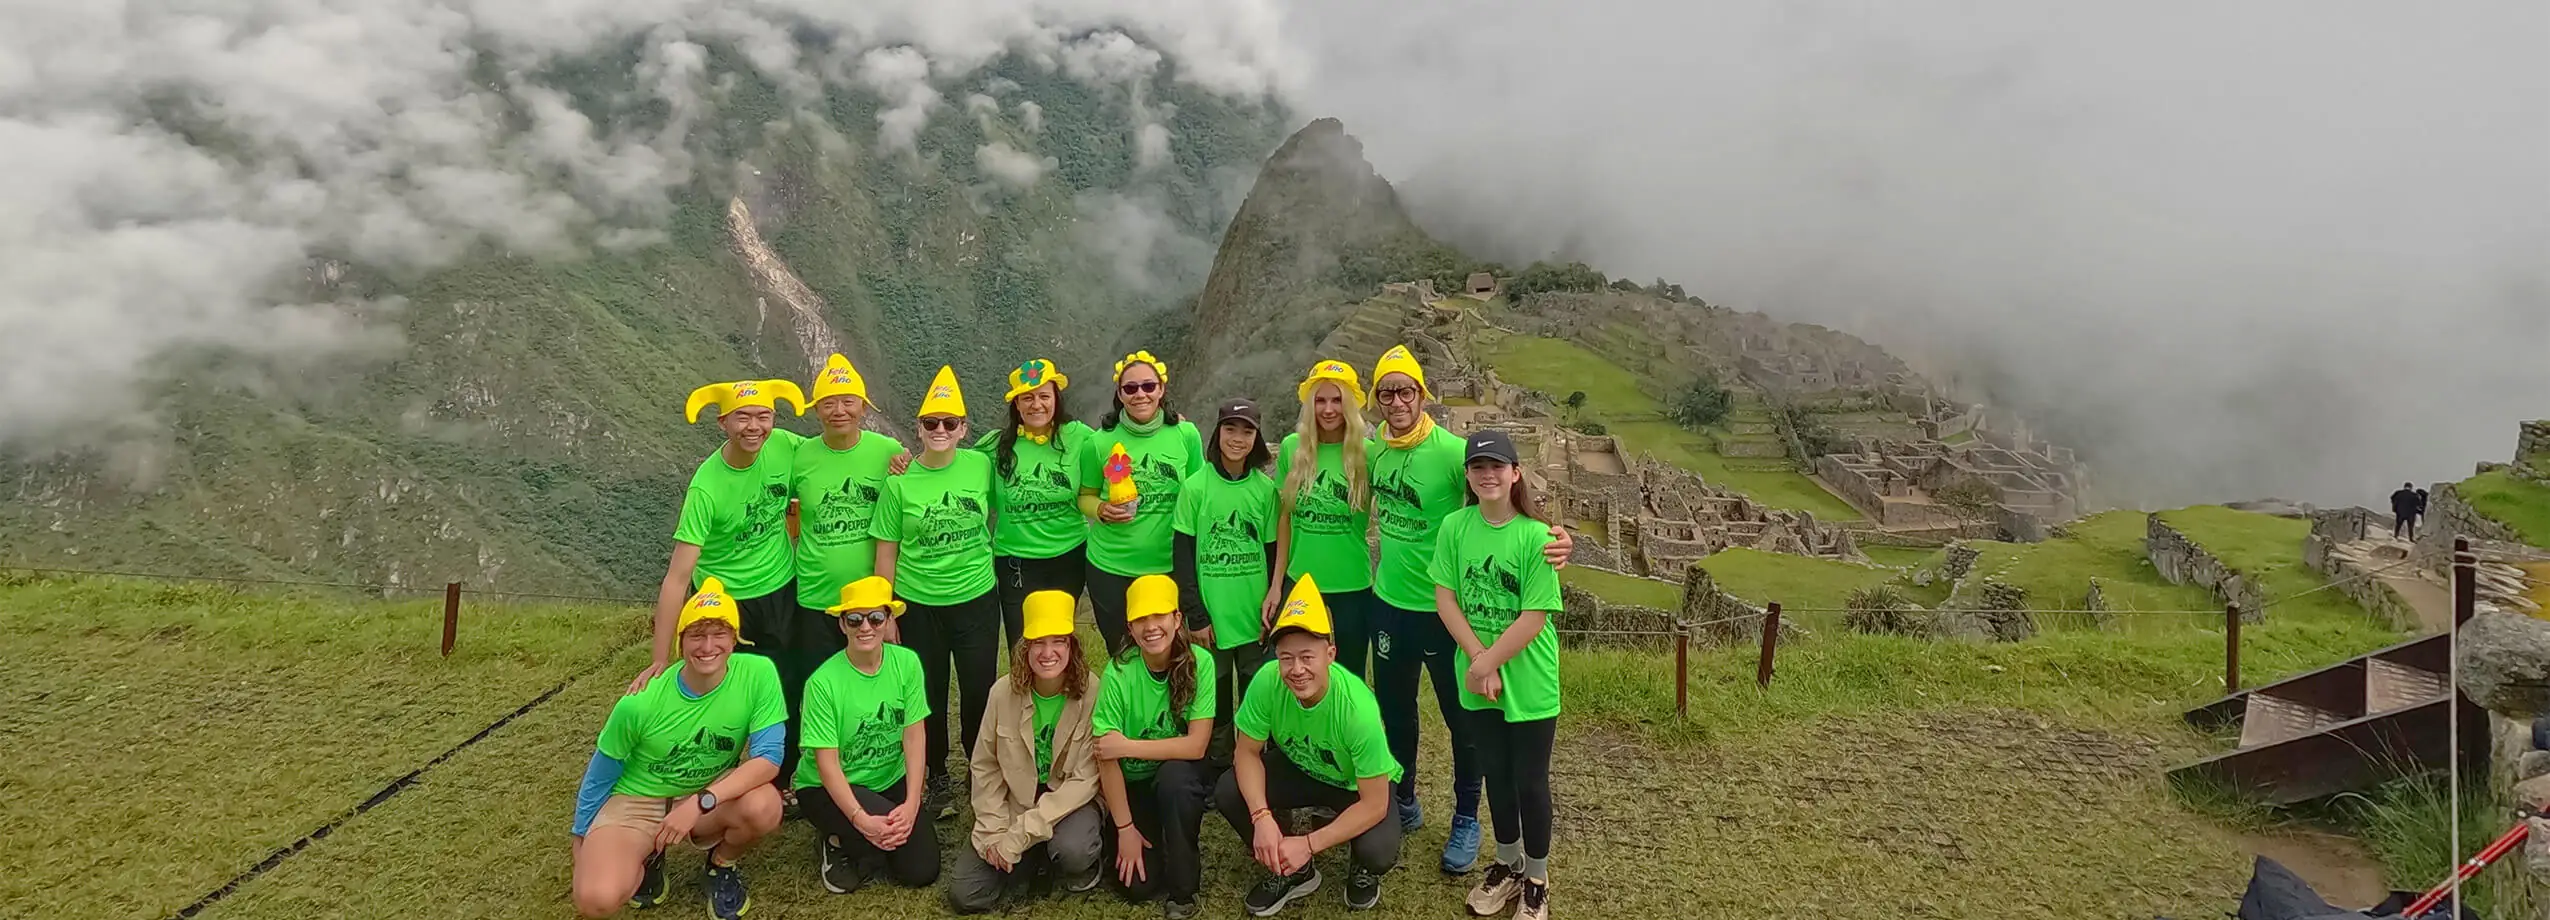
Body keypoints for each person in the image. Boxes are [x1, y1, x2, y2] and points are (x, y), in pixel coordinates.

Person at [1364, 344, 1572, 870]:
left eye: (1405, 390)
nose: (1396, 401)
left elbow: (1501, 490)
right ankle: (1403, 798)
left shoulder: (1452, 451)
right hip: (1388, 602)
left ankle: (1465, 818)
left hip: (1444, 613)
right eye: (1386, 392)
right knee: (1395, 714)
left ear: (1422, 395)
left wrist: (1556, 538)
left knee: (1464, 721)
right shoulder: (1371, 451)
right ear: (1376, 400)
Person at [572, 578, 788, 920]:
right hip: (638, 799)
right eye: (696, 635)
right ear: (680, 641)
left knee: (764, 805)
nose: (708, 646)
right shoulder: (640, 703)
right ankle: (647, 856)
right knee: (595, 899)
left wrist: (700, 804)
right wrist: (581, 842)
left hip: (704, 795)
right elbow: (600, 775)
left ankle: (721, 865)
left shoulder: (758, 674)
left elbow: (769, 758)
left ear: (735, 639)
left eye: (720, 634)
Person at [1431, 430, 1565, 920]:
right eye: (1478, 467)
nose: (1488, 474)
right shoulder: (1455, 527)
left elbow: (1534, 615)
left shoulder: (1537, 536)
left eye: (1497, 466)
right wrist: (1476, 658)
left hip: (1527, 677)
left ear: (1515, 474)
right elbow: (1445, 597)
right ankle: (1507, 864)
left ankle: (1536, 878)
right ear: (1467, 475)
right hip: (1476, 673)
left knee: (1530, 780)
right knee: (1496, 776)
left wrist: (1485, 663)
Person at [1216, 575, 1404, 916]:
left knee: (1378, 850)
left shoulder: (1358, 710)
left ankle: (1354, 866)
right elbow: (1245, 753)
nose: (1296, 669)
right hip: (1300, 768)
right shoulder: (1266, 681)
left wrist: (1309, 843)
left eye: (1307, 656)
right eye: (1286, 658)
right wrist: (1261, 818)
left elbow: (1375, 803)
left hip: (1353, 785)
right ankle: (1291, 867)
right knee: (1229, 790)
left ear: (1330, 654)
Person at [873, 365, 1001, 819]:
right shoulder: (899, 482)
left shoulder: (982, 465)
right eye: (932, 424)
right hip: (918, 602)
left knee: (979, 690)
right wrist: (885, 612)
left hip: (976, 598)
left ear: (965, 429)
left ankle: (980, 768)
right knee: (926, 692)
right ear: (919, 429)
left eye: (950, 423)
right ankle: (936, 776)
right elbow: (886, 551)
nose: (941, 431)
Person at [635, 379, 809, 693]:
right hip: (724, 599)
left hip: (781, 588)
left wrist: (894, 461)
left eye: (763, 416)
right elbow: (678, 577)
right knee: (726, 693)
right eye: (742, 417)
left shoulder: (785, 446)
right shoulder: (706, 488)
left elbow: (832, 460)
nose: (754, 426)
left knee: (787, 687)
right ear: (723, 422)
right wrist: (660, 659)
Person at [785, 354, 906, 788]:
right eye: (829, 403)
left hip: (873, 602)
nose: (840, 411)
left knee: (877, 689)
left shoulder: (888, 453)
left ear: (864, 407)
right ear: (815, 410)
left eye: (849, 402)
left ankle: (879, 771)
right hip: (817, 596)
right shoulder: (799, 457)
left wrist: (888, 606)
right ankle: (817, 778)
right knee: (817, 689)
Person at [949, 589, 1107, 912]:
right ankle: (1034, 857)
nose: (1048, 652)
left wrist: (1019, 837)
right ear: (1025, 646)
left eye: (1058, 641)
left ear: (1072, 645)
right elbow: (985, 766)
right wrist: (994, 832)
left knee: (1074, 849)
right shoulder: (1001, 693)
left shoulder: (1092, 691)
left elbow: (1085, 781)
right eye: (1038, 642)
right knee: (965, 894)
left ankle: (1063, 855)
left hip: (1068, 805)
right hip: (1014, 804)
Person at [796, 576, 940, 895]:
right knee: (882, 837)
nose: (866, 627)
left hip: (890, 778)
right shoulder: (822, 683)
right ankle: (838, 837)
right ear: (842, 625)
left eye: (876, 617)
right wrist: (861, 820)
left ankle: (858, 840)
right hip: (827, 786)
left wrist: (913, 802)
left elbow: (914, 736)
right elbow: (827, 764)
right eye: (854, 619)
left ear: (889, 621)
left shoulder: (907, 663)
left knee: (922, 869)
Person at [1092, 575, 1218, 918]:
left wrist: (1128, 746)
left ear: (1177, 619)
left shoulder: (1200, 663)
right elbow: (1107, 758)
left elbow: (1196, 746)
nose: (1151, 627)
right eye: (1140, 620)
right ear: (1129, 628)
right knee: (1137, 887)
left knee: (1176, 781)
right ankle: (1149, 838)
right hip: (1132, 783)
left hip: (1176, 773)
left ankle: (1183, 888)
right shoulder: (1118, 674)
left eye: (1159, 616)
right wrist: (1125, 829)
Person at [1172, 397, 1281, 765]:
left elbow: (1271, 552)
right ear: (1217, 433)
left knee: (1254, 695)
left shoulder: (1265, 491)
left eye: (1247, 431)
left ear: (1257, 438)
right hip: (1212, 619)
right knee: (1213, 698)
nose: (1238, 438)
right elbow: (1183, 555)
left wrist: (1271, 604)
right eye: (1230, 429)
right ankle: (1216, 766)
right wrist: (1196, 614)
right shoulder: (1195, 487)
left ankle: (1251, 764)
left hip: (1253, 617)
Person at [1079, 350, 1206, 652]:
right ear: (1119, 394)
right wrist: (1100, 509)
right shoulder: (1098, 443)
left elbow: (1199, 495)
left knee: (1171, 654)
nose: (1140, 394)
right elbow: (1084, 497)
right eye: (1131, 388)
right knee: (1122, 654)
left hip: (1169, 564)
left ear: (1161, 389)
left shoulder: (1186, 435)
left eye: (1148, 386)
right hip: (1112, 568)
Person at [978, 358, 1094, 647]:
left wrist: (1167, 424)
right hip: (1015, 560)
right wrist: (906, 462)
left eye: (1044, 396)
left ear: (1056, 399)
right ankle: (1021, 693)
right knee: (1022, 641)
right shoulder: (994, 446)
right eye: (1027, 398)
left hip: (1069, 555)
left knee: (1060, 637)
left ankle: (1064, 691)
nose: (1036, 404)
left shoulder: (1079, 436)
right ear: (1016, 404)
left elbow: (1119, 448)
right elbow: (950, 466)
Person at [1275, 360, 1377, 679]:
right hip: (1301, 583)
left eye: (1337, 400)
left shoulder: (1369, 454)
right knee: (1300, 675)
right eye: (1320, 400)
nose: (1329, 409)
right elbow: (1285, 521)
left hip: (1352, 586)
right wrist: (1277, 585)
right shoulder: (1293, 448)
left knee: (1348, 678)